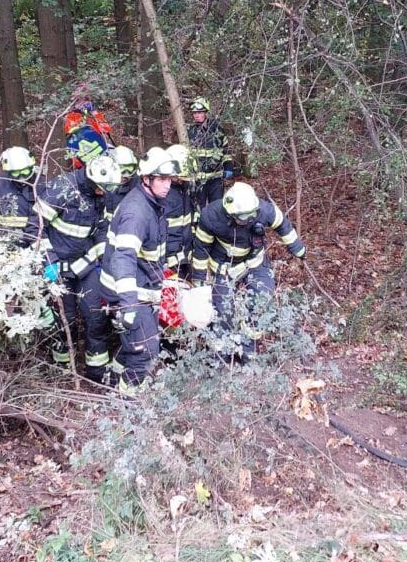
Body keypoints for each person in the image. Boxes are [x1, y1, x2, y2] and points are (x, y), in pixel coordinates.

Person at [192, 181, 305, 362]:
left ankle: (248, 350)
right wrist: (198, 280)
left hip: (254, 263)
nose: (248, 220)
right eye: (243, 217)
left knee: (260, 301)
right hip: (223, 267)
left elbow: (283, 224)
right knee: (222, 312)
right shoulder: (211, 216)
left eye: (251, 216)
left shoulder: (264, 210)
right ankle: (221, 355)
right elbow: (200, 249)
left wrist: (298, 248)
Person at [100, 146, 177, 394]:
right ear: (146, 179)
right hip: (129, 293)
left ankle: (112, 382)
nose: (168, 185)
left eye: (170, 179)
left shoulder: (151, 203)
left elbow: (150, 255)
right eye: (162, 179)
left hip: (143, 288)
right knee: (145, 351)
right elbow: (124, 258)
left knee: (133, 345)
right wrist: (129, 304)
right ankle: (128, 402)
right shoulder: (137, 213)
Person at [35, 154, 122, 374]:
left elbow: (101, 228)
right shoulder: (62, 189)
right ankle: (62, 368)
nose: (104, 192)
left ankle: (97, 370)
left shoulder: (99, 194)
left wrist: (103, 258)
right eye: (101, 187)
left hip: (85, 265)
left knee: (96, 315)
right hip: (58, 266)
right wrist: (49, 261)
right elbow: (35, 227)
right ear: (92, 179)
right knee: (65, 321)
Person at [186, 97, 233, 207]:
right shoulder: (189, 132)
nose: (196, 115)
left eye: (199, 112)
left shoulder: (217, 130)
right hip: (198, 180)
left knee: (217, 207)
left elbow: (226, 150)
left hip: (215, 179)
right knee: (198, 208)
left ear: (206, 113)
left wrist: (228, 167)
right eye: (194, 113)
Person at [163, 144, 195, 272]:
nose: (184, 180)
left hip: (184, 254)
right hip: (168, 259)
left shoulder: (184, 189)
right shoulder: (164, 194)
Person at [104, 145, 140, 222]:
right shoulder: (101, 184)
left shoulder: (139, 187)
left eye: (130, 168)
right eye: (122, 168)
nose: (126, 174)